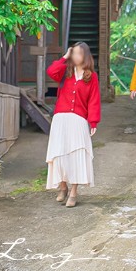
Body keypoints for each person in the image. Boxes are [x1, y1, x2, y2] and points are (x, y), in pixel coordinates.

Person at [45, 42, 101, 207]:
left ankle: (74, 192)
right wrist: (65, 56)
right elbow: (51, 71)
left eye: (78, 53)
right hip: (60, 118)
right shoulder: (65, 71)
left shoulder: (91, 76)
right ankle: (62, 187)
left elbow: (94, 100)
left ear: (85, 56)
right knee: (60, 154)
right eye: (73, 53)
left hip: (78, 119)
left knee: (76, 156)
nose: (75, 56)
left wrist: (93, 121)